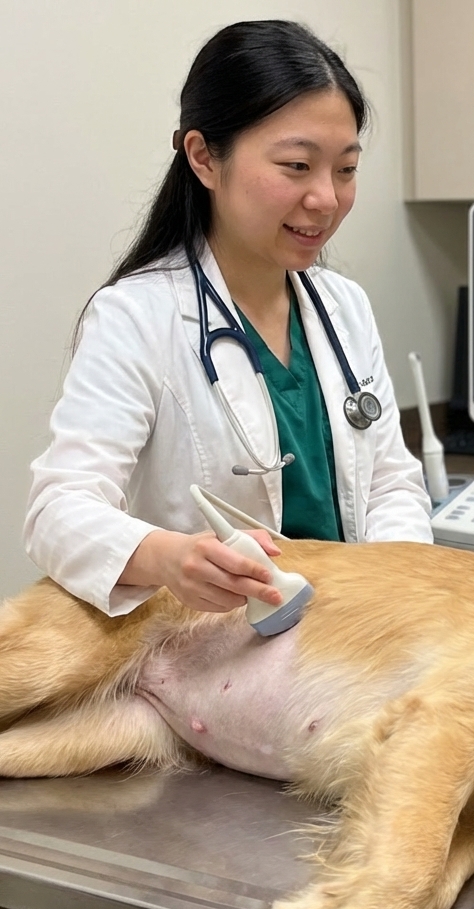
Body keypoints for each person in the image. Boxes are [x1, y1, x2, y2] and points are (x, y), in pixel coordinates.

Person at [24, 20, 433, 620]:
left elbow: (392, 484)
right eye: (297, 165)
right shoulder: (138, 317)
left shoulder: (343, 307)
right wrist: (166, 556)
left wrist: (393, 595)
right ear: (203, 158)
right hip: (207, 644)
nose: (326, 197)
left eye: (345, 169)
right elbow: (57, 509)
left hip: (351, 633)